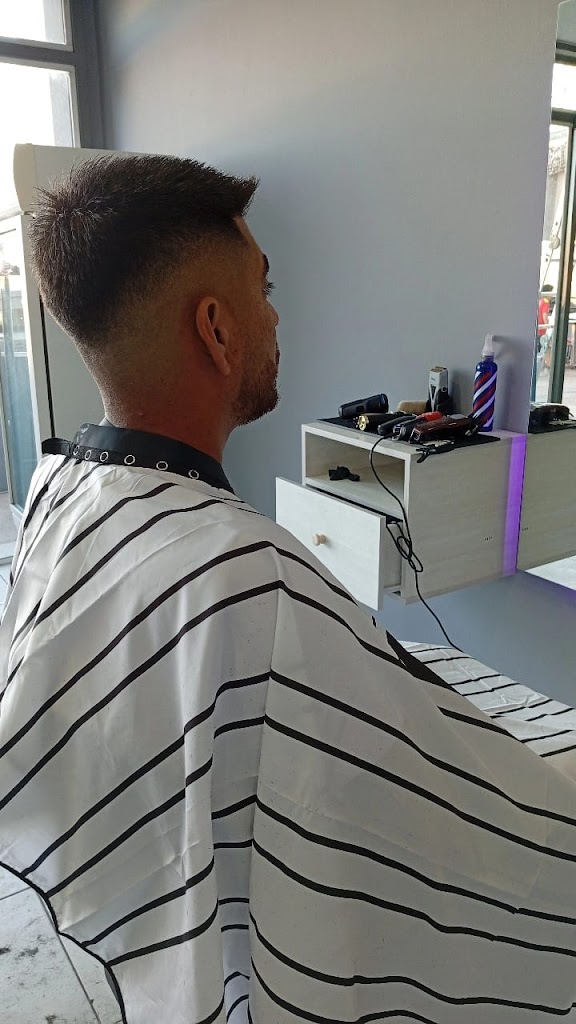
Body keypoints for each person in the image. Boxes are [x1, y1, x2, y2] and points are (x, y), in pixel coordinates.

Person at [2, 155, 576, 1024]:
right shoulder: (245, 576)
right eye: (264, 289)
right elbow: (462, 835)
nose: (275, 315)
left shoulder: (65, 484)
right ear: (216, 329)